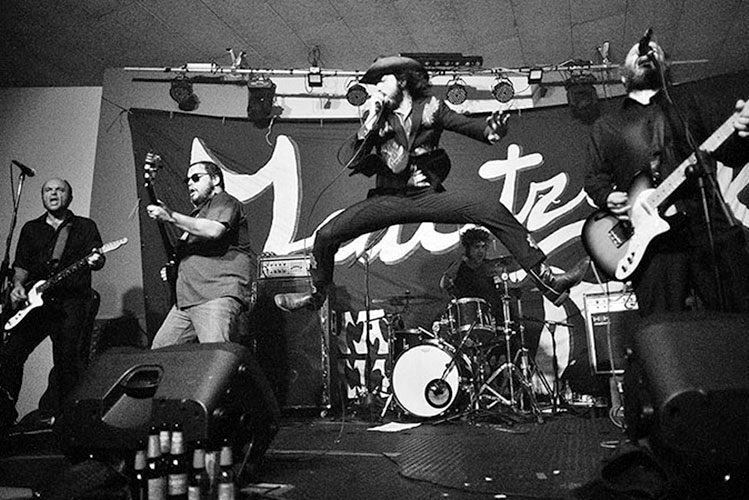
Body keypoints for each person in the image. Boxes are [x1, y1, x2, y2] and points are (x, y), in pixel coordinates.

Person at [275, 56, 589, 312]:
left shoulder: (431, 107)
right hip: (387, 200)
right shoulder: (377, 118)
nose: (376, 88)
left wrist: (493, 130)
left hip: (426, 196)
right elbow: (349, 159)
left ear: (401, 80)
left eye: (381, 81)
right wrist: (368, 124)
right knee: (326, 234)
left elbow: (475, 130)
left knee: (492, 210)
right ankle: (316, 294)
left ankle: (549, 282)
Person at [584, 36, 749, 316]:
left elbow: (731, 154)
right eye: (636, 52)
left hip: (708, 226)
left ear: (665, 68)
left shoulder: (690, 105)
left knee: (737, 319)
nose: (646, 52)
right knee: (663, 328)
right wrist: (608, 196)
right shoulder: (605, 127)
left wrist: (744, 134)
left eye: (654, 51)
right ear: (623, 76)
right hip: (651, 246)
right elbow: (594, 179)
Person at [0, 178, 104, 429]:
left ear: (70, 197)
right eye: (48, 190)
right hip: (35, 304)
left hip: (70, 302)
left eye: (60, 190)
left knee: (67, 361)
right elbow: (21, 266)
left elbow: (98, 259)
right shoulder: (31, 229)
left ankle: (67, 423)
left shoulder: (84, 226)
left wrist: (96, 260)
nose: (54, 194)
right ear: (43, 197)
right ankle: (4, 417)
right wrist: (17, 286)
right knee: (10, 354)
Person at [146, 138, 253, 348]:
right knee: (160, 352)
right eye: (187, 180)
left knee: (216, 357)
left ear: (215, 179)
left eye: (196, 178)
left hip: (215, 295)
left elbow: (214, 230)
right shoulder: (197, 215)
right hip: (187, 301)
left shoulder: (224, 201)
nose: (190, 184)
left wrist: (171, 216)